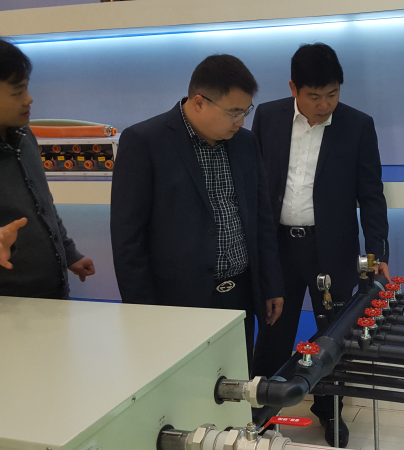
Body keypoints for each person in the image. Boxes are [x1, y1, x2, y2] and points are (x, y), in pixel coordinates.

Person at [251, 43, 390, 447]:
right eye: (314, 96)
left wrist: (375, 256)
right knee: (273, 331)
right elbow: (256, 183)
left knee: (332, 335)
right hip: (278, 247)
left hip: (330, 249)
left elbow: (371, 196)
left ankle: (329, 409)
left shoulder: (358, 125)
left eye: (332, 94)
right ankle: (263, 413)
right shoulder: (268, 117)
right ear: (293, 88)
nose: (325, 104)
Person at [110, 55, 284, 370]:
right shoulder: (145, 142)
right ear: (200, 102)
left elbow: (261, 219)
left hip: (241, 293)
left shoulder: (245, 143)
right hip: (178, 301)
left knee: (236, 379)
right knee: (187, 386)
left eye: (246, 111)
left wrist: (270, 284)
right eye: (234, 112)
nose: (241, 121)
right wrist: (143, 312)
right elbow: (128, 238)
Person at [0, 33, 95, 309]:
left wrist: (69, 253)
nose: (29, 99)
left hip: (53, 299)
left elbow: (43, 206)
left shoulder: (22, 133)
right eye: (17, 92)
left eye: (27, 88)